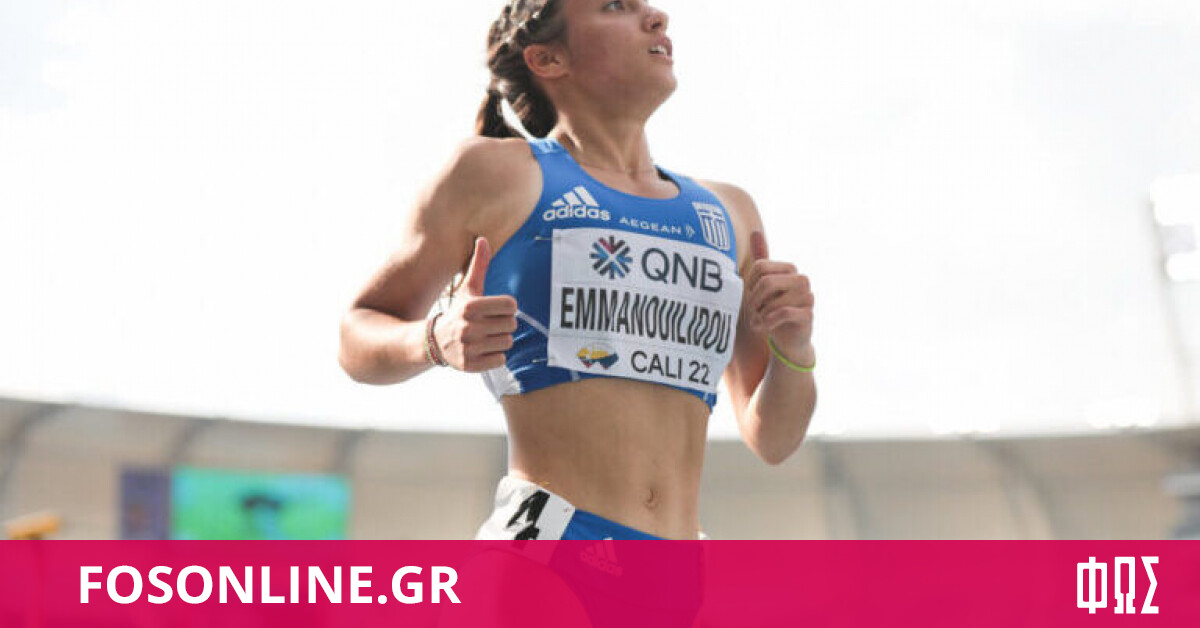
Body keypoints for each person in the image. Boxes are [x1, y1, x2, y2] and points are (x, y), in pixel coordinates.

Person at [339, 0, 817, 622]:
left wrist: (795, 348)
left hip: (679, 575)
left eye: (649, 6)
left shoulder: (729, 211)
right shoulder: (491, 173)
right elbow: (357, 334)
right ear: (548, 59)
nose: (657, 18)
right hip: (544, 553)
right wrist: (434, 339)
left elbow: (773, 438)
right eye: (617, 6)